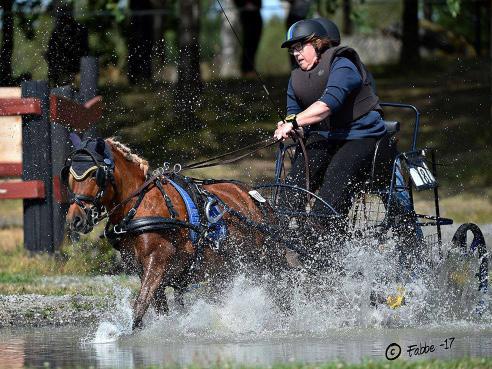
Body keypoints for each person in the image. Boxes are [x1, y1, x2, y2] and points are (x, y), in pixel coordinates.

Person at [273, 18, 387, 237]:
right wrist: (293, 127)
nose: (296, 54)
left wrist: (294, 122)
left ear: (316, 43)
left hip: (360, 136)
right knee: (293, 186)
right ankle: (281, 231)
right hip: (326, 136)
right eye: (292, 50)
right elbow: (293, 114)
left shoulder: (343, 63)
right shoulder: (296, 78)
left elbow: (328, 105)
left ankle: (320, 234)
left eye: (300, 47)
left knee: (336, 178)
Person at [233, 0, 263, 77]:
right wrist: (244, 5)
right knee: (248, 43)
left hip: (256, 13)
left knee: (254, 43)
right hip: (245, 14)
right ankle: (246, 70)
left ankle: (251, 69)